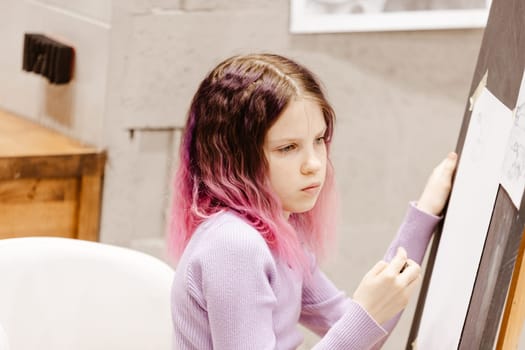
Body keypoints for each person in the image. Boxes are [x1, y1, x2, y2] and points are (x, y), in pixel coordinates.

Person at [169, 53, 457, 349]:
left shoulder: (275, 233)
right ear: (233, 158)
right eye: (288, 147)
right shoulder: (234, 245)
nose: (314, 164)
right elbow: (359, 324)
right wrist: (367, 312)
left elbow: (360, 333)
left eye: (319, 140)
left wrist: (425, 212)